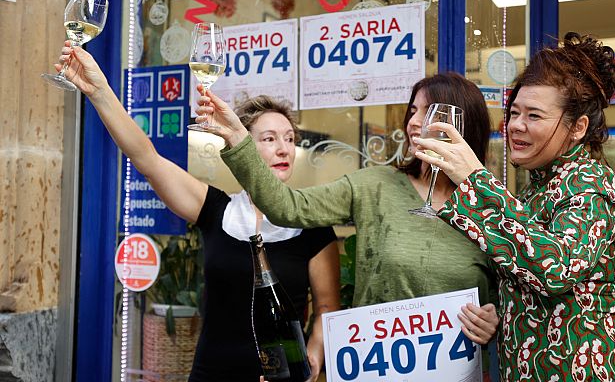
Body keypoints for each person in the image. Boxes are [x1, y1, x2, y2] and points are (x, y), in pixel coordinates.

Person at [55, 42, 340, 382]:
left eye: (289, 138)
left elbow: (327, 307)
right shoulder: (217, 209)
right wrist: (98, 90)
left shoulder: (311, 225)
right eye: (268, 139)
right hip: (211, 373)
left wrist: (315, 351)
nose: (283, 148)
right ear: (242, 143)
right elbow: (147, 159)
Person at [195, 73, 501, 346]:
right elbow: (287, 207)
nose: (413, 122)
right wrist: (238, 136)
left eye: (428, 111)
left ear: (462, 125)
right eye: (412, 111)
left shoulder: (490, 207)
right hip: (378, 367)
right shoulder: (374, 185)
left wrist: (494, 318)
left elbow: (514, 295)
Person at [414, 32, 615, 381]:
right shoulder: (540, 187)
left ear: (577, 127)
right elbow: (530, 279)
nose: (516, 125)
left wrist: (476, 178)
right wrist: (498, 315)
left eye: (534, 116)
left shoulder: (592, 187)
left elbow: (555, 270)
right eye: (514, 112)